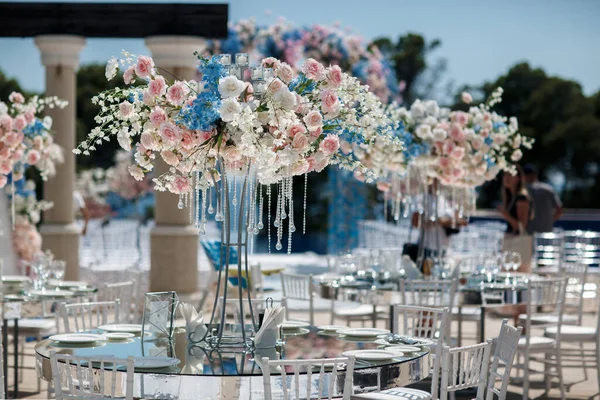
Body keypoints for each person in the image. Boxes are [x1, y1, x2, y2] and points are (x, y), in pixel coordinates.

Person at [523, 164, 563, 234]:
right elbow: (559, 209)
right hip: (546, 232)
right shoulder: (548, 189)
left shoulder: (523, 190)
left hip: (528, 232)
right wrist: (550, 221)